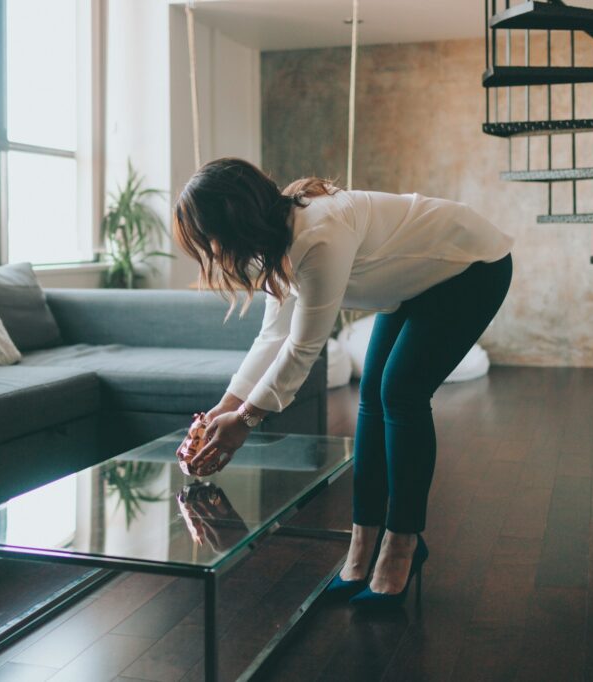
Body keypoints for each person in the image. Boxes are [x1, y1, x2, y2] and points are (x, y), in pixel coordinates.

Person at [174, 157, 513, 609]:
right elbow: (272, 336)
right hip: (414, 282)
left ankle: (402, 545)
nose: (213, 252)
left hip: (471, 265)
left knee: (401, 393)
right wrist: (223, 409)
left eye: (209, 239)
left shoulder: (317, 235)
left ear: (233, 222)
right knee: (372, 397)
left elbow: (302, 348)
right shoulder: (277, 241)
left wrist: (247, 420)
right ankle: (363, 543)